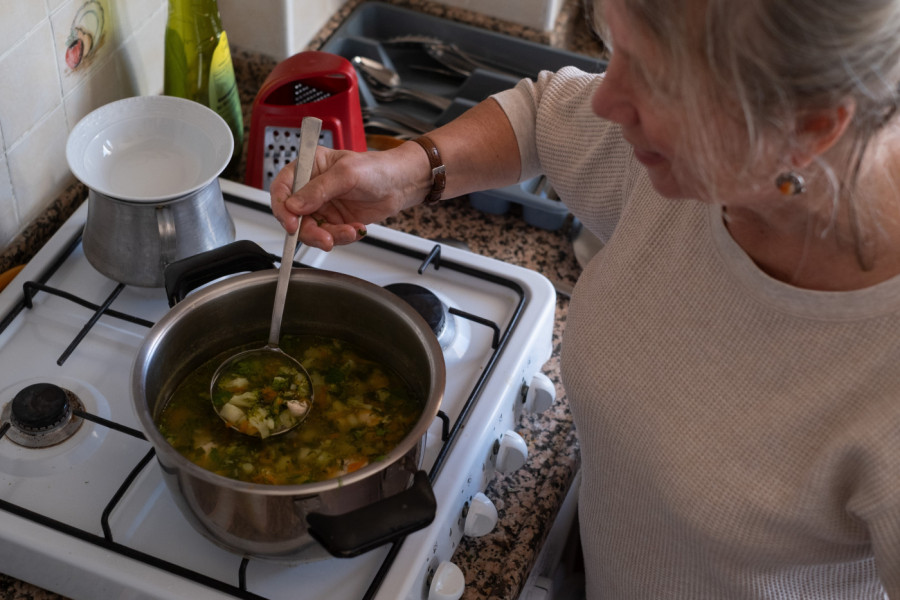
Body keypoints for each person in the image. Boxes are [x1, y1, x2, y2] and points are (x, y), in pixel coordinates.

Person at [270, 0, 900, 596]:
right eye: (615, 52)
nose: (606, 99)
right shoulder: (705, 161)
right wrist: (407, 174)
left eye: (657, 79)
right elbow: (544, 116)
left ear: (811, 128)